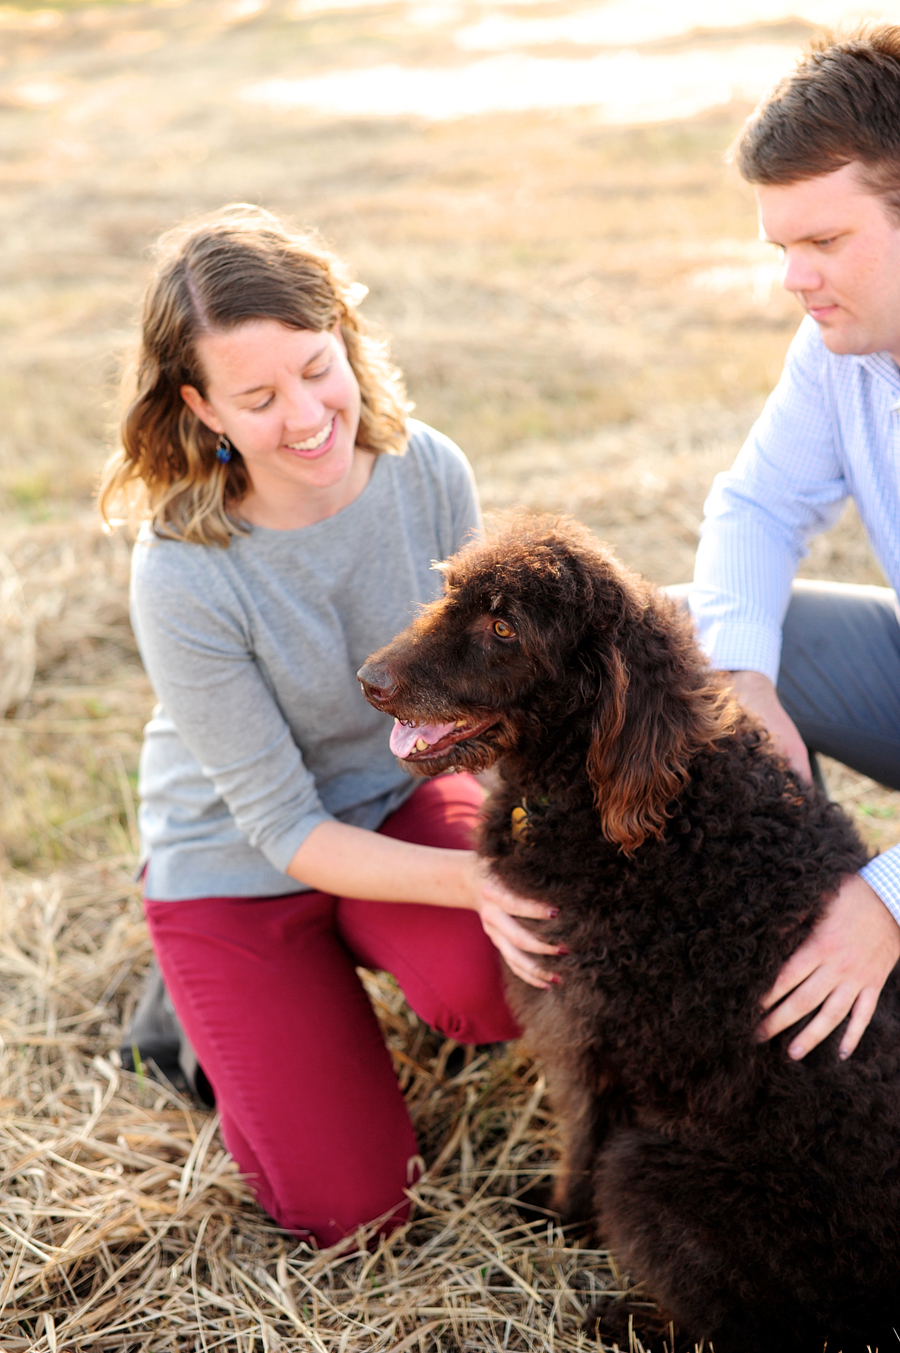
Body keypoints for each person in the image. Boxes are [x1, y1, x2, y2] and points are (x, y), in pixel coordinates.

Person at [99, 205, 562, 1246]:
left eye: (318, 367)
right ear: (201, 408)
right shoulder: (182, 572)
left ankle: (389, 969)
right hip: (242, 863)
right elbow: (281, 829)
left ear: (346, 338)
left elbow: (484, 705)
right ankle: (192, 1012)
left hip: (393, 801)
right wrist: (473, 882)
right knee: (354, 1215)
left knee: (505, 978)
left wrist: (522, 853)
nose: (306, 414)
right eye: (257, 397)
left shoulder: (429, 470)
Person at [690, 24, 900, 1066]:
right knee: (683, 639)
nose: (794, 279)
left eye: (824, 242)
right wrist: (742, 678)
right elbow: (755, 508)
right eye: (781, 248)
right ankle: (765, 967)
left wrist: (889, 899)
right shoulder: (838, 352)